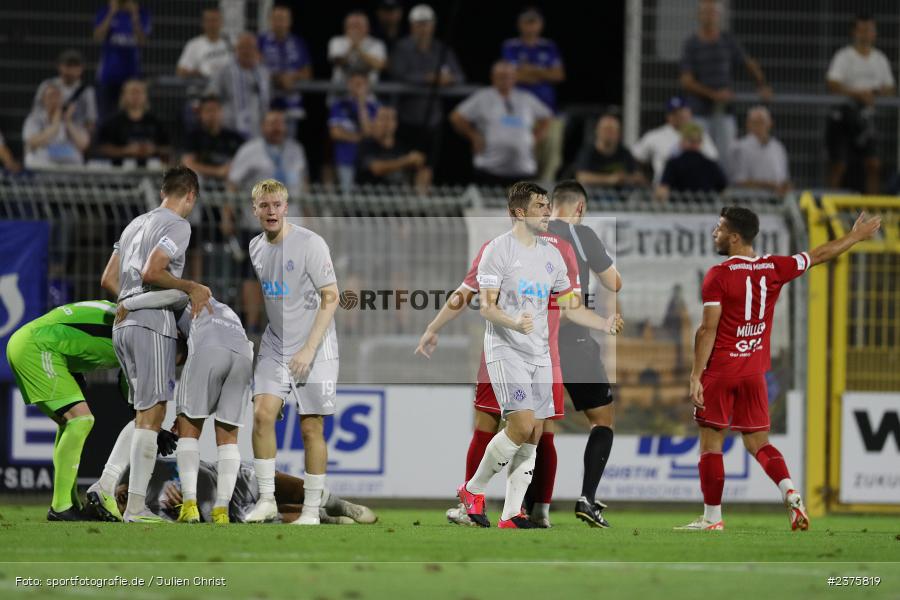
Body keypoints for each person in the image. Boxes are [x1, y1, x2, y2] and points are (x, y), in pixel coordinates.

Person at [680, 206, 881, 531]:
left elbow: (707, 330)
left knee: (711, 442)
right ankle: (789, 491)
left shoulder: (718, 275)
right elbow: (818, 255)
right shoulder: (774, 267)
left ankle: (712, 518)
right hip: (754, 373)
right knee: (759, 442)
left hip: (722, 371)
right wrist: (855, 236)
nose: (713, 233)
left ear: (734, 237)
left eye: (718, 228)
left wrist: (695, 375)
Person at [457, 182, 623, 528]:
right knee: (519, 425)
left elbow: (570, 307)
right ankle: (472, 490)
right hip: (507, 349)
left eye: (548, 205)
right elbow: (486, 307)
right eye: (539, 206)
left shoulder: (553, 255)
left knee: (533, 434)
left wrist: (603, 322)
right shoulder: (497, 250)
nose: (547, 211)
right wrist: (514, 322)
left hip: (541, 353)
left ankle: (512, 513)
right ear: (519, 212)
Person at [100, 165, 212, 523]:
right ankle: (135, 507)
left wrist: (130, 305)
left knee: (143, 412)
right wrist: (189, 287)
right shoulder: (179, 225)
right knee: (154, 413)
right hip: (152, 325)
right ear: (190, 194)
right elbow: (153, 271)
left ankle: (104, 485)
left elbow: (108, 278)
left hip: (125, 325)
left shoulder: (134, 224)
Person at [242, 179, 341, 526]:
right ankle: (267, 500)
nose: (271, 212)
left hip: (316, 347)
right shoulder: (255, 247)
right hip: (275, 343)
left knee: (311, 429)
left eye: (277, 205)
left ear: (287, 207)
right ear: (254, 209)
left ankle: (311, 511)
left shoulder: (310, 244)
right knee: (262, 416)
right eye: (264, 206)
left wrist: (309, 349)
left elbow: (332, 296)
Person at [113, 288, 253, 524]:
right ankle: (222, 510)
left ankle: (189, 506)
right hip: (244, 354)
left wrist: (130, 303)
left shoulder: (188, 296)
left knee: (188, 435)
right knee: (228, 439)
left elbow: (174, 295)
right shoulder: (225, 310)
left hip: (209, 348)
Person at [546, 181, 623, 527]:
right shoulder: (583, 235)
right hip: (575, 342)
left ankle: (532, 508)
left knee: (536, 428)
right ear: (579, 207)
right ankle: (586, 499)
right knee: (602, 420)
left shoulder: (534, 233)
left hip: (537, 342)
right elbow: (614, 282)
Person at [5, 300, 121, 521]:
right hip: (38, 346)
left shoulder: (115, 310)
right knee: (81, 420)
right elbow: (129, 386)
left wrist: (73, 368)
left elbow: (67, 322)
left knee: (70, 422)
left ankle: (69, 502)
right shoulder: (136, 332)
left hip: (35, 342)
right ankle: (61, 507)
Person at [103, 456, 376, 524]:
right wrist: (181, 511)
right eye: (120, 506)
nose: (122, 500)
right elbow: (191, 525)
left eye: (119, 496)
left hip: (226, 474)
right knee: (272, 515)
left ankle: (339, 504)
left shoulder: (133, 464)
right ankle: (327, 518)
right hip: (227, 511)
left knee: (284, 484)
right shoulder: (144, 516)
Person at [680, 0, 771, 170]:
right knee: (698, 154)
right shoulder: (691, 44)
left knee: (727, 158)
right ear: (699, 16)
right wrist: (713, 95)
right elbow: (686, 81)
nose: (710, 16)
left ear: (719, 16)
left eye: (713, 12)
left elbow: (748, 63)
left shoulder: (727, 40)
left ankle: (723, 194)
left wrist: (762, 85)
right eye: (706, 12)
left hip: (724, 112)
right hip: (699, 112)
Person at [389, 4, 465, 187]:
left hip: (433, 120)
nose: (423, 28)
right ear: (412, 25)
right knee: (404, 165)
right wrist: (429, 78)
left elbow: (459, 77)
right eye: (419, 24)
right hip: (407, 119)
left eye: (426, 23)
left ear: (433, 25)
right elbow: (398, 74)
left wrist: (448, 79)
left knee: (427, 166)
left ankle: (421, 209)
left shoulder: (441, 49)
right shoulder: (402, 47)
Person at [450, 61, 551, 186]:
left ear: (515, 78)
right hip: (490, 168)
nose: (505, 80)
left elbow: (546, 116)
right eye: (501, 76)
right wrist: (473, 136)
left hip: (523, 169)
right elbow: (456, 117)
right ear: (493, 78)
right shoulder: (483, 96)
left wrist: (535, 138)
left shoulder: (526, 98)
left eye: (509, 76)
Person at [825, 14, 895, 194]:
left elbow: (890, 88)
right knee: (838, 165)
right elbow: (832, 83)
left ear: (875, 33)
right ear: (854, 32)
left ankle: (873, 211)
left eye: (870, 30)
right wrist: (857, 94)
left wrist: (874, 93)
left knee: (873, 164)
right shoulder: (844, 56)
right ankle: (828, 206)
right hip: (843, 117)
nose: (865, 34)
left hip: (867, 119)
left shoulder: (880, 59)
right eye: (862, 30)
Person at [501, 7, 566, 182]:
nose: (530, 27)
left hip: (548, 111)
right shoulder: (511, 46)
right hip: (518, 113)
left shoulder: (549, 46)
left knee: (552, 153)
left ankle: (544, 191)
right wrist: (543, 73)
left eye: (534, 22)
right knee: (520, 152)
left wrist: (529, 71)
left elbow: (559, 75)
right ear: (520, 25)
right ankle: (517, 191)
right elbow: (510, 75)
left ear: (540, 25)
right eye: (526, 22)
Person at [631, 95, 718, 184]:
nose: (680, 116)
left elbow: (712, 159)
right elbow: (635, 156)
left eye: (683, 111)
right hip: (665, 189)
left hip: (694, 189)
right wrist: (640, 175)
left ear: (689, 113)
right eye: (675, 113)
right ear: (668, 116)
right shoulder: (655, 136)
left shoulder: (700, 135)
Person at [93, 0, 151, 119]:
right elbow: (98, 37)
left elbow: (142, 41)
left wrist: (134, 16)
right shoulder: (105, 11)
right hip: (108, 75)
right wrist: (111, 13)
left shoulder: (142, 13)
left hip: (132, 75)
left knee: (132, 115)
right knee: (106, 116)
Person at [207, 33, 271, 140]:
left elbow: (266, 100)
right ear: (236, 50)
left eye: (250, 47)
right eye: (242, 48)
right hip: (230, 129)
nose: (246, 51)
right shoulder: (224, 71)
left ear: (256, 50)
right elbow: (211, 97)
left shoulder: (264, 73)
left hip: (258, 130)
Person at [96, 79, 171, 167]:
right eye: (132, 92)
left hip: (152, 168)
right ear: (124, 96)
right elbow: (102, 148)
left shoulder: (156, 121)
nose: (136, 96)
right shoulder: (112, 122)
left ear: (145, 96)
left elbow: (168, 148)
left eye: (139, 92)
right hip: (119, 170)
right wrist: (125, 151)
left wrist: (153, 149)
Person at [258, 5, 312, 125]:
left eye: (283, 19)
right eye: (276, 18)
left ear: (290, 21)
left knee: (289, 142)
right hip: (266, 105)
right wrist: (277, 78)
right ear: (270, 20)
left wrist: (292, 77)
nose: (279, 23)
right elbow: (254, 68)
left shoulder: (298, 43)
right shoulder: (260, 41)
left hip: (291, 105)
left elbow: (308, 73)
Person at [329, 71, 379, 191]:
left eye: (361, 84)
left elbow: (369, 132)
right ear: (348, 84)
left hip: (367, 160)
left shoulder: (373, 107)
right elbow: (335, 133)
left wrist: (361, 103)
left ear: (367, 85)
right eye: (355, 83)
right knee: (347, 195)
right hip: (345, 157)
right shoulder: (339, 105)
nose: (358, 87)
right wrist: (359, 137)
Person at [355, 106, 427, 188]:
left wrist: (417, 162)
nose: (387, 123)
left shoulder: (402, 145)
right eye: (383, 119)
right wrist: (406, 161)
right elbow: (377, 169)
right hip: (372, 195)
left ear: (396, 123)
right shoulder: (366, 144)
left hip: (397, 196)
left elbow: (418, 163)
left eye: (391, 119)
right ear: (373, 122)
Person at [23, 83, 90, 169]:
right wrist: (55, 126)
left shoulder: (72, 119)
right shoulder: (34, 119)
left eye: (57, 96)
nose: (54, 100)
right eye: (50, 96)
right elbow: (31, 141)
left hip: (71, 170)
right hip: (43, 168)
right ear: (43, 100)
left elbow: (83, 144)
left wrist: (68, 122)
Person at [33, 50, 99, 135]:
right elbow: (36, 111)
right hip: (48, 133)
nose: (71, 70)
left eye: (75, 66)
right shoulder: (47, 86)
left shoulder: (87, 91)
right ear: (59, 66)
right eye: (68, 65)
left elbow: (91, 120)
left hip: (74, 136)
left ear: (81, 68)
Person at [656, 122, 727, 201]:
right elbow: (723, 189)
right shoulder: (710, 164)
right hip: (706, 210)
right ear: (700, 142)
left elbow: (663, 190)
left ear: (683, 140)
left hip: (678, 209)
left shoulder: (673, 164)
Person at [182, 95, 245, 182]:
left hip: (231, 180)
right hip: (204, 182)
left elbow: (246, 160)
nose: (212, 114)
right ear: (200, 114)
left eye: (215, 110)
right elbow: (188, 164)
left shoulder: (234, 137)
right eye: (208, 111)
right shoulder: (193, 137)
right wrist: (217, 171)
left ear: (221, 112)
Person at [728, 106, 790, 195]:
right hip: (751, 200)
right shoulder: (739, 148)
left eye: (762, 122)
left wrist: (785, 186)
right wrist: (769, 185)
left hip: (778, 198)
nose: (759, 126)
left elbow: (784, 178)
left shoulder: (778, 147)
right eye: (755, 122)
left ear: (770, 123)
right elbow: (738, 181)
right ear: (748, 124)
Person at [574, 114, 644, 189]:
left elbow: (639, 177)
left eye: (612, 130)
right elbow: (581, 177)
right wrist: (610, 179)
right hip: (594, 196)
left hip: (621, 197)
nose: (608, 133)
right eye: (605, 129)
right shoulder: (588, 152)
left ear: (619, 133)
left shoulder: (625, 153)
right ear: (597, 131)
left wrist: (625, 178)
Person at [327, 11, 387, 98]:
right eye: (352, 26)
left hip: (368, 96)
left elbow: (379, 65)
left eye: (358, 26)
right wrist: (351, 47)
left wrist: (359, 49)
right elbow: (338, 62)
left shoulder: (376, 43)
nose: (355, 29)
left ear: (367, 28)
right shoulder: (337, 41)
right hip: (341, 95)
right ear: (345, 28)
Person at [176, 6, 232, 80]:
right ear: (203, 23)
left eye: (215, 20)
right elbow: (180, 71)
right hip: (202, 86)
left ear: (221, 22)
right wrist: (200, 73)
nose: (212, 24)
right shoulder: (194, 44)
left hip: (227, 86)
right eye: (209, 21)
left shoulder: (230, 43)